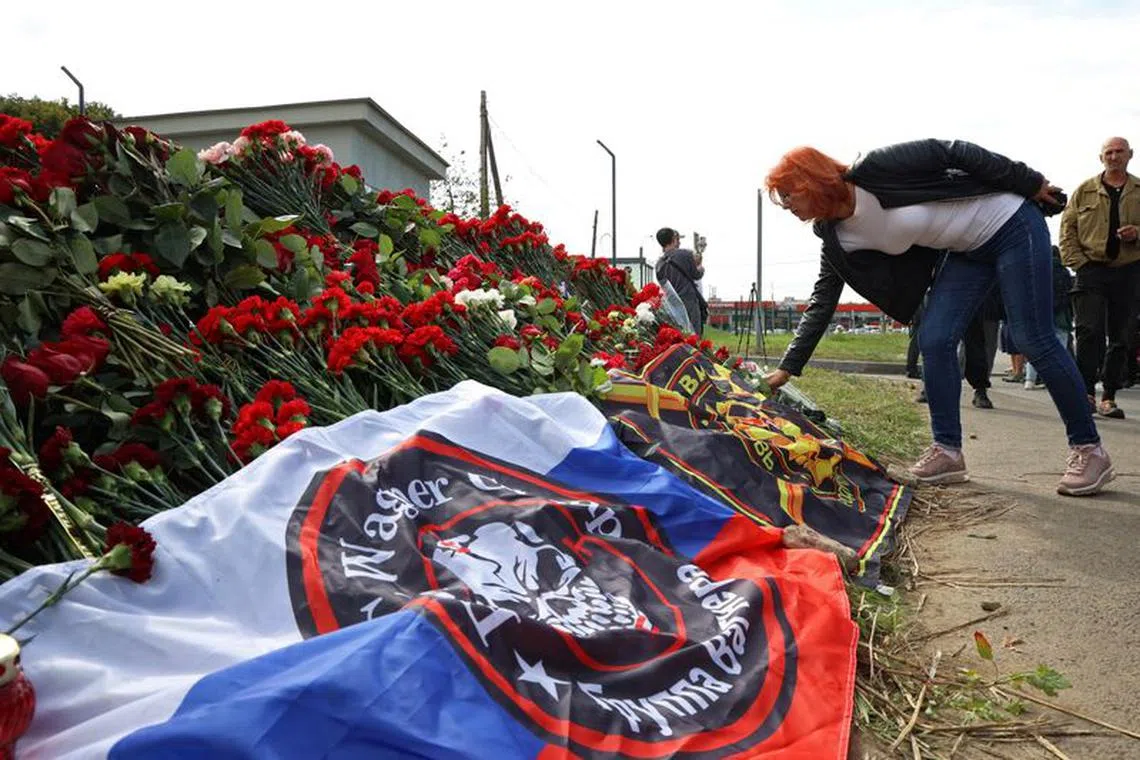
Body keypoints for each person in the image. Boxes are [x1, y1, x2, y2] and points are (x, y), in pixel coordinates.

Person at [763, 139, 1114, 497]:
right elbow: (822, 300)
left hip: (1010, 223)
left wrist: (1029, 181)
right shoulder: (837, 238)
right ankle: (947, 452)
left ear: (812, 180)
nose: (786, 206)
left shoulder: (875, 170)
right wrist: (787, 368)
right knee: (934, 337)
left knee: (1031, 337)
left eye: (788, 195)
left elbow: (953, 151)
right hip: (966, 252)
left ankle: (1090, 449)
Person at [1059, 137, 1140, 420]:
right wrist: (1078, 263)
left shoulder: (1139, 190)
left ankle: (1109, 396)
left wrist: (1137, 233)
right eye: (1109, 152)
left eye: (1119, 152)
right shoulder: (1084, 190)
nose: (1114, 156)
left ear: (1130, 155)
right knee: (1088, 331)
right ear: (1101, 157)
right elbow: (1067, 230)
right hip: (1090, 269)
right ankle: (1086, 394)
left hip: (1129, 270)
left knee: (1121, 336)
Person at [1024, 246, 1074, 390]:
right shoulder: (1064, 272)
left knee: (1036, 348)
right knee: (1060, 349)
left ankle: (1030, 380)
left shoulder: (1036, 269)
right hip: (1061, 315)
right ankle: (1056, 380)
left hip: (1040, 313)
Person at [654, 227, 707, 335]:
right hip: (689, 301)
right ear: (674, 238)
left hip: (672, 304)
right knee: (694, 335)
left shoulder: (659, 265)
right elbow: (696, 275)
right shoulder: (685, 254)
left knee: (679, 334)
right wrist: (701, 268)